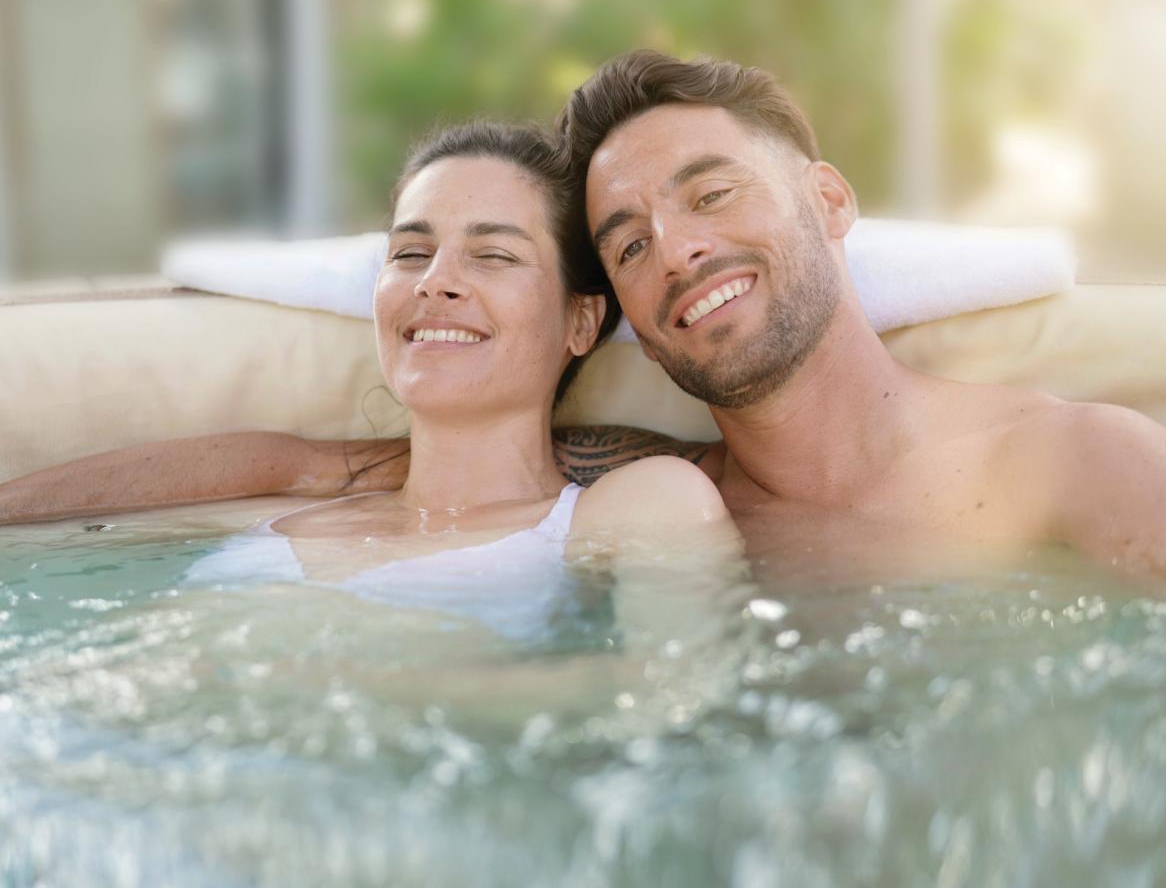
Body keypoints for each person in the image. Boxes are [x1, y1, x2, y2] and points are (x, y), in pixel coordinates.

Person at [0, 54, 1166, 582]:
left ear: (826, 199)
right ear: (617, 315)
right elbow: (325, 467)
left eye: (711, 193)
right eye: (631, 240)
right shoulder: (642, 484)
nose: (680, 247)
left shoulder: (1084, 462)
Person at [4, 120, 736, 630]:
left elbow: (671, 721)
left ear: (581, 321)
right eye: (411, 253)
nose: (436, 282)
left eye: (494, 255)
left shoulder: (627, 512)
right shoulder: (286, 497)